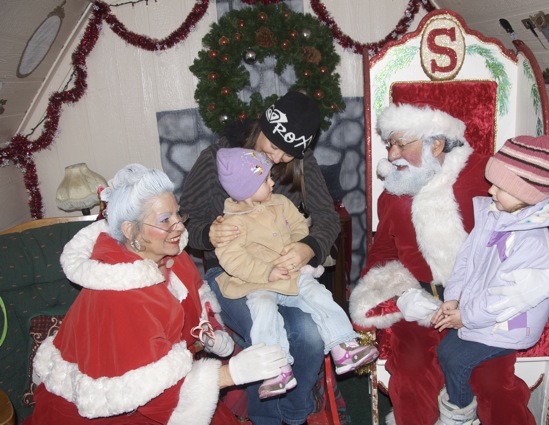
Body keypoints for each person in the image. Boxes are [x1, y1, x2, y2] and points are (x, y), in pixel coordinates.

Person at [349, 103, 549, 425]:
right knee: (412, 377)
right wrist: (400, 295)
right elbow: (382, 250)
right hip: (420, 302)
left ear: (436, 144)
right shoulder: (394, 191)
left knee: (493, 385)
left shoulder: (490, 177)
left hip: (489, 306)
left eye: (401, 143)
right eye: (390, 144)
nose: (392, 153)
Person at [23, 164, 288, 425]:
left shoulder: (173, 257)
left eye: (177, 215)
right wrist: (232, 374)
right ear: (130, 231)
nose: (179, 226)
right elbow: (151, 394)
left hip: (177, 385)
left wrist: (213, 331)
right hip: (122, 411)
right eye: (165, 220)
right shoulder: (120, 297)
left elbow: (197, 303)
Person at [180, 91, 341, 424]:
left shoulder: (298, 160)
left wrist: (308, 246)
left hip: (286, 273)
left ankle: (296, 415)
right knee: (269, 333)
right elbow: (185, 223)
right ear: (265, 125)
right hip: (234, 278)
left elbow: (328, 217)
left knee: (309, 335)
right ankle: (266, 420)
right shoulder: (215, 160)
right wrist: (208, 232)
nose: (280, 159)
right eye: (275, 147)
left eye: (289, 153)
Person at [430, 135, 549, 424]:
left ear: (528, 194)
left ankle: (460, 415)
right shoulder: (495, 214)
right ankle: (459, 402)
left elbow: (504, 296)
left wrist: (465, 317)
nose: (491, 190)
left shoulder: (533, 241)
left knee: (454, 357)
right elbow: (466, 260)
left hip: (510, 322)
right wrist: (453, 298)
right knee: (446, 349)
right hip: (480, 310)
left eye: (501, 186)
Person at [214, 147, 378, 399]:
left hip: (291, 273)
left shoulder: (280, 203)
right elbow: (233, 259)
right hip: (257, 283)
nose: (272, 182)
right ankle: (275, 368)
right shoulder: (231, 222)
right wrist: (266, 271)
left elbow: (300, 226)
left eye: (269, 176)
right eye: (265, 180)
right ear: (245, 190)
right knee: (263, 312)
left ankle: (343, 345)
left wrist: (299, 246)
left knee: (318, 294)